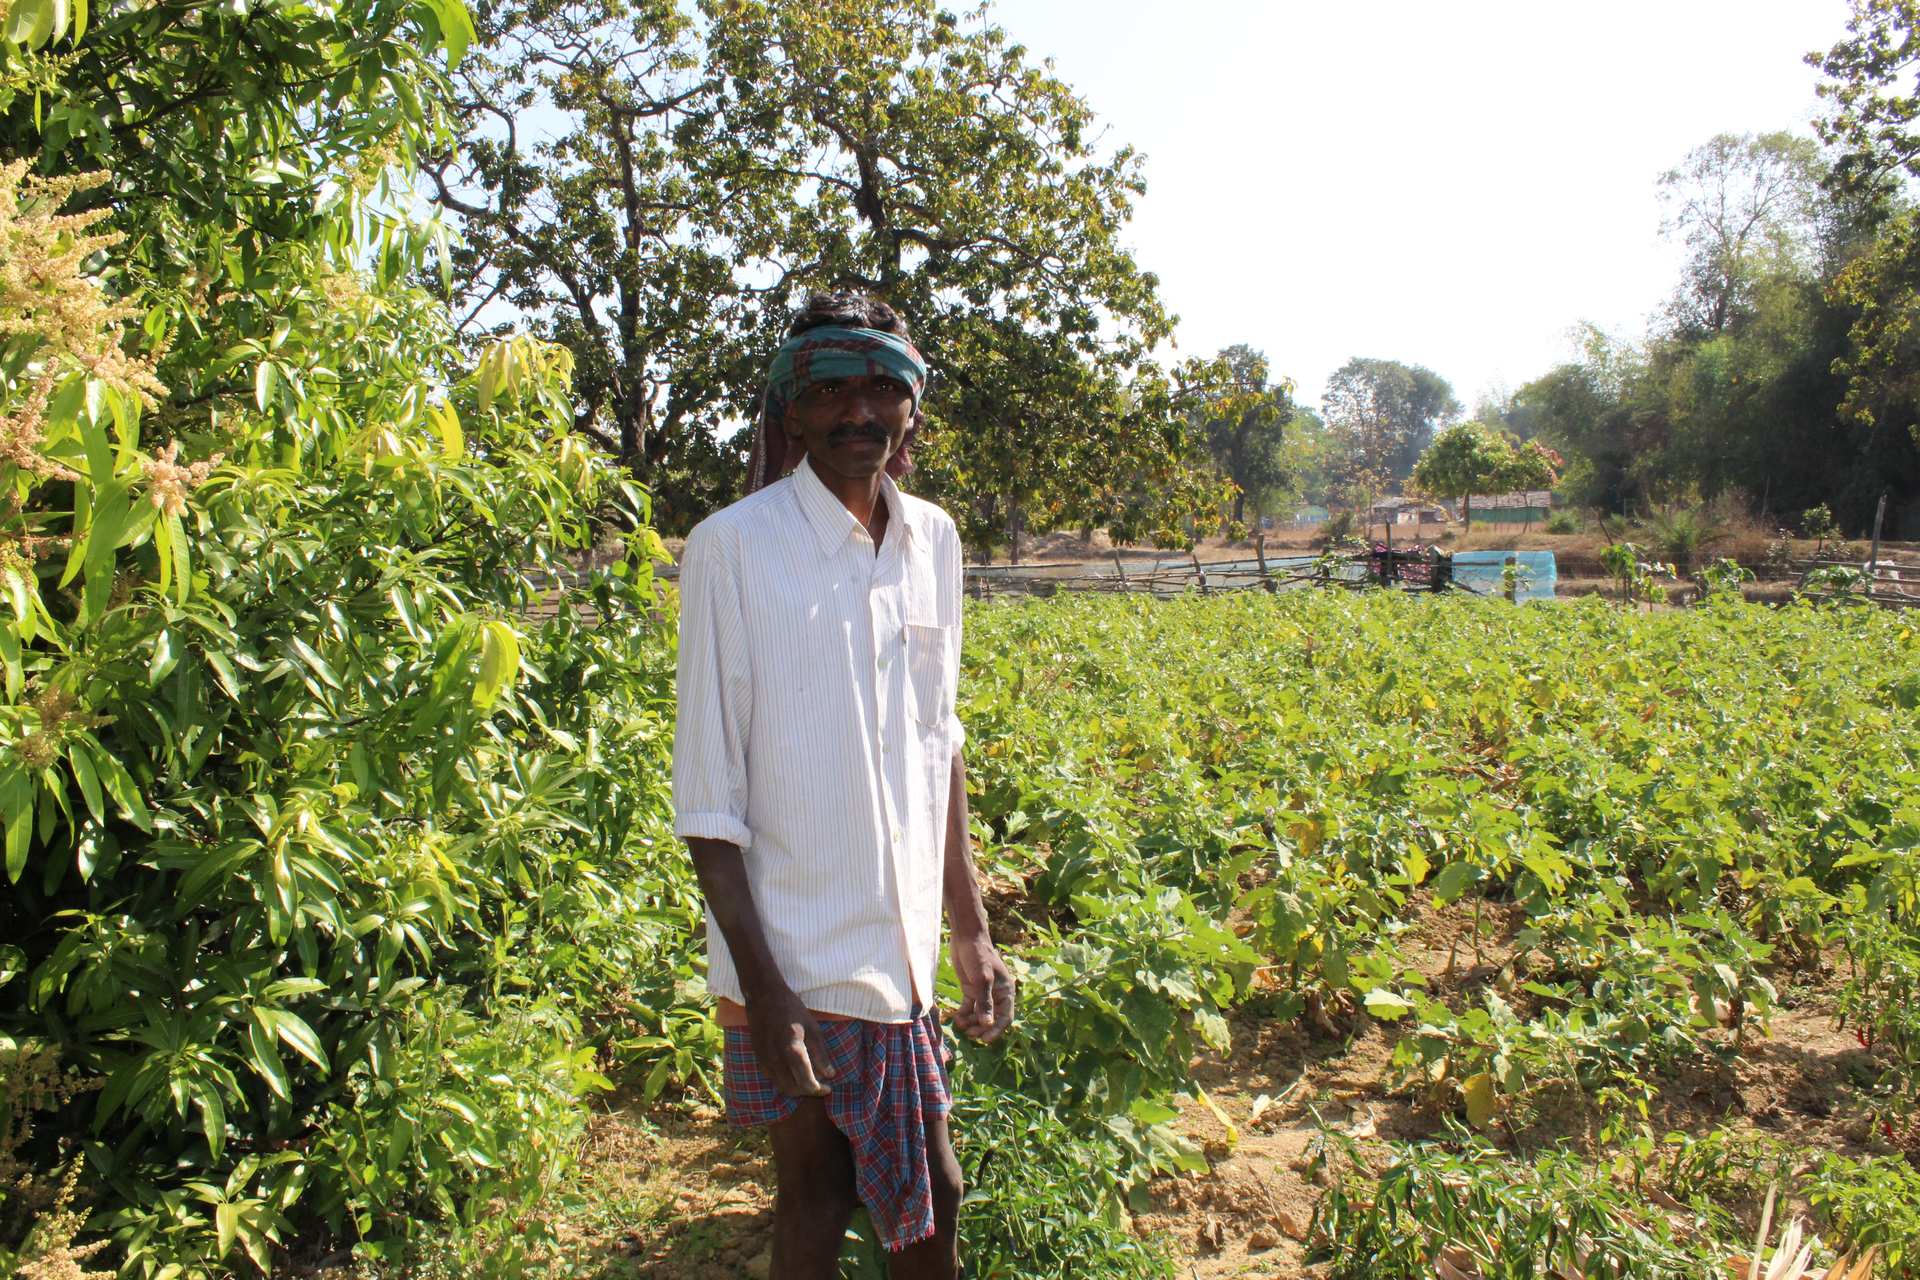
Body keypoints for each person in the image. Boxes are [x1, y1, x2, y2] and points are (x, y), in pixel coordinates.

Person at [672, 290, 1015, 1279]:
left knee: (927, 1195)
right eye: (830, 389)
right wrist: (767, 990)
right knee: (823, 1194)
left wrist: (970, 927)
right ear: (791, 407)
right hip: (791, 954)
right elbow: (708, 800)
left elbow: (939, 739)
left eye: (882, 388)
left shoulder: (933, 542)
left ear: (912, 405)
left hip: (900, 950)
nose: (858, 412)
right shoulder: (734, 548)